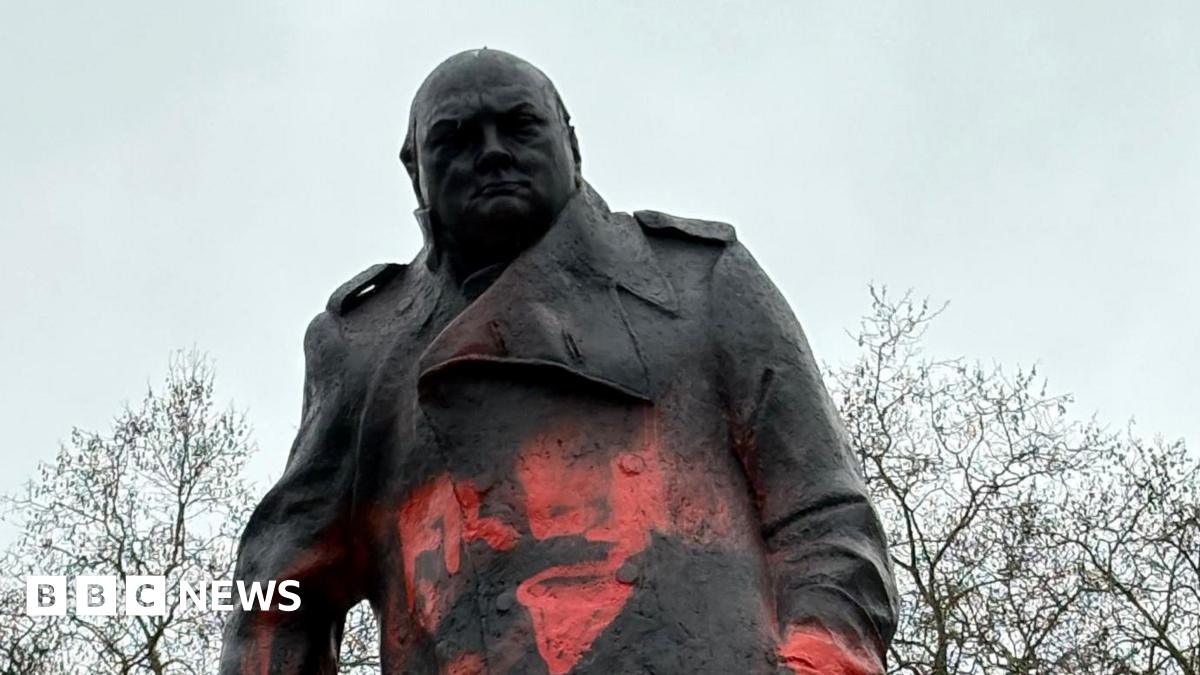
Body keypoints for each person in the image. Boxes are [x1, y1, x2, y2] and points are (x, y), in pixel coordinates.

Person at [220, 48, 897, 675]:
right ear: (413, 170)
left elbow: (826, 518)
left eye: (518, 126)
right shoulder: (364, 348)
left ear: (570, 140)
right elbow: (278, 591)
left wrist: (813, 661)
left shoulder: (700, 280)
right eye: (455, 138)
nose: (491, 153)